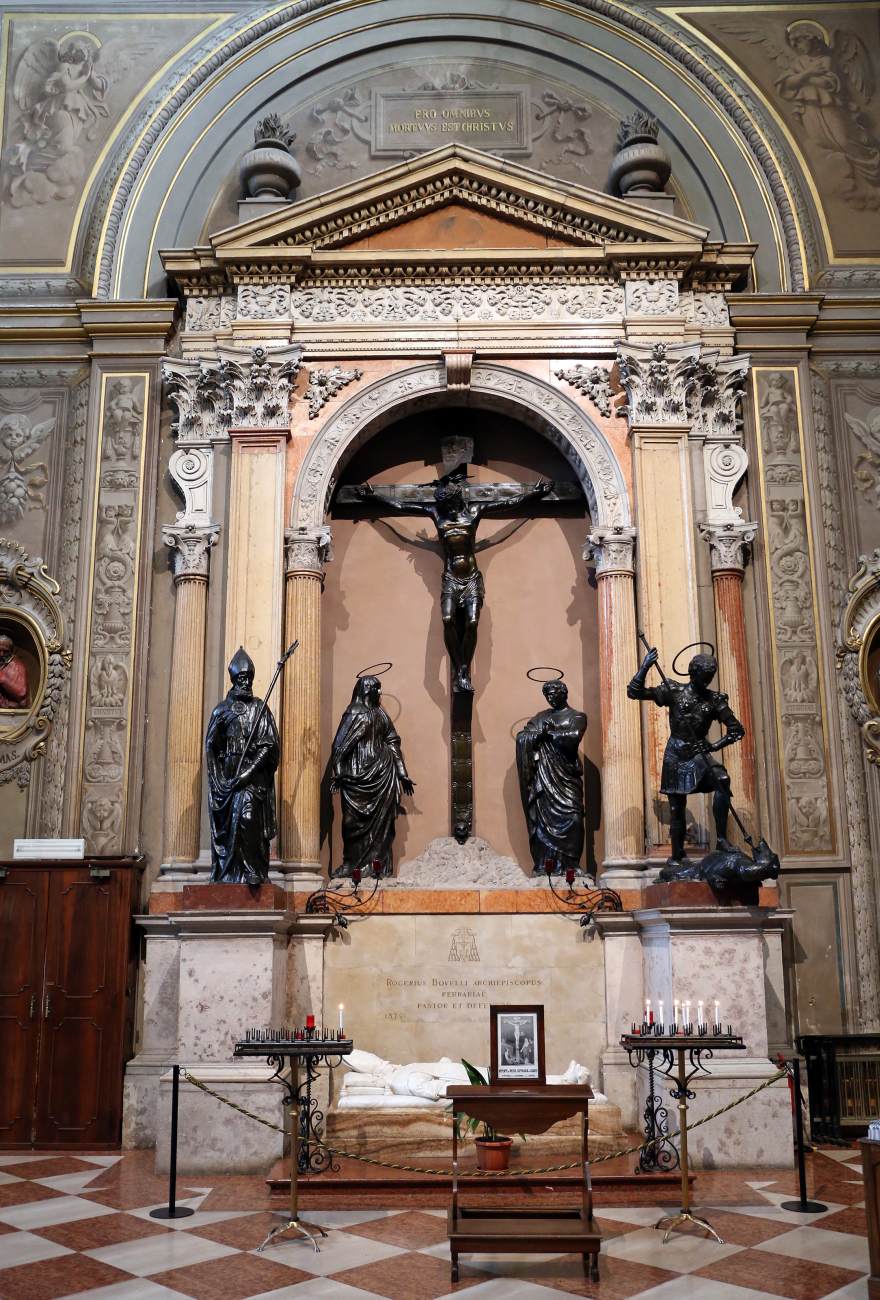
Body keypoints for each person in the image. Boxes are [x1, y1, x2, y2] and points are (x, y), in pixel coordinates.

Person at [359, 468, 551, 692]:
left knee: (471, 623)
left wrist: (534, 495)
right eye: (445, 505)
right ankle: (460, 665)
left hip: (470, 578)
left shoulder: (475, 511)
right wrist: (374, 497)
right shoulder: (437, 513)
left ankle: (462, 670)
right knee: (448, 619)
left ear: (458, 498)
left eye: (451, 504)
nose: (448, 509)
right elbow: (401, 506)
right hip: (450, 578)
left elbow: (508, 503)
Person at [628, 648, 744, 872]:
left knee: (722, 779)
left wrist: (712, 746)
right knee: (676, 808)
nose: (708, 680)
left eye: (711, 676)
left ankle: (721, 839)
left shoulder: (714, 700)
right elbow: (634, 692)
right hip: (675, 755)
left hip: (699, 754)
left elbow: (736, 730)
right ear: (693, 673)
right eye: (704, 676)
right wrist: (645, 666)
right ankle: (677, 855)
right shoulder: (674, 691)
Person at [205, 646, 280, 885]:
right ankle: (227, 875)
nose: (246, 681)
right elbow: (211, 747)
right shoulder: (222, 710)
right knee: (229, 831)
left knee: (248, 820)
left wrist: (247, 773)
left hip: (252, 781)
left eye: (249, 678)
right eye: (241, 678)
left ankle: (252, 871)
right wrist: (221, 781)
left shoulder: (260, 708)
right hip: (228, 780)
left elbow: (269, 746)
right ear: (234, 678)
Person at [331, 674, 414, 877]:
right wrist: (339, 774)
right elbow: (339, 745)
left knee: (382, 827)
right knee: (351, 823)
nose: (379, 692)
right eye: (376, 688)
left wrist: (402, 773)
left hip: (382, 776)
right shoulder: (354, 712)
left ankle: (377, 867)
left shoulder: (380, 714)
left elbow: (393, 741)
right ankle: (351, 864)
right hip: (356, 778)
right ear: (366, 689)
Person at [516, 678, 587, 874]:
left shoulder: (577, 716)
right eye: (547, 695)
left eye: (553, 694)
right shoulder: (540, 717)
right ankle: (546, 865)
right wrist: (534, 736)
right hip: (545, 779)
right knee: (543, 824)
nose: (550, 698)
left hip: (566, 778)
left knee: (574, 818)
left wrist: (547, 733)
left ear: (564, 694)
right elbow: (523, 736)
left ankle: (571, 865)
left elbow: (573, 737)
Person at [0, 634, 28, 709]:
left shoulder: (17, 666)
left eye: (5, 651)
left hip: (10, 709)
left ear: (11, 651)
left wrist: (3, 679)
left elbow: (22, 693)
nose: (1, 654)